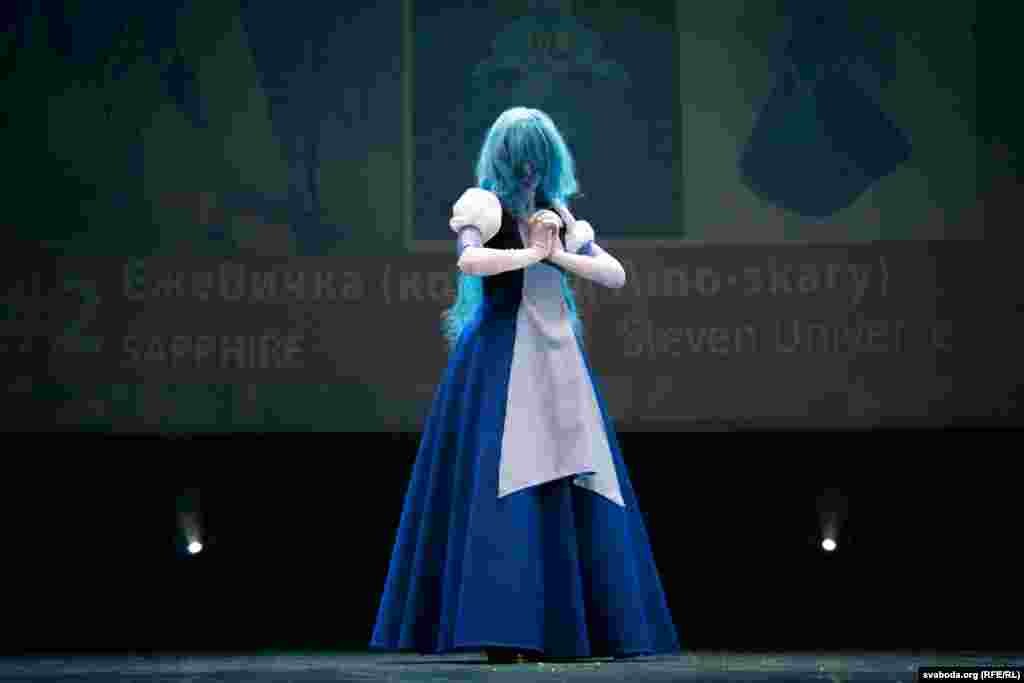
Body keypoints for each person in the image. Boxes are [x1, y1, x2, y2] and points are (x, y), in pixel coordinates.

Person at [370, 107, 680, 663]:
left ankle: (568, 624)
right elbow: (469, 261)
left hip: (557, 359)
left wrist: (557, 254)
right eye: (522, 160)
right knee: (503, 476)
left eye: (538, 160)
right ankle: (504, 625)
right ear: (505, 160)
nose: (531, 171)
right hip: (500, 359)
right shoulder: (484, 205)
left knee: (572, 473)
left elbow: (614, 274)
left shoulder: (560, 214)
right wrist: (532, 254)